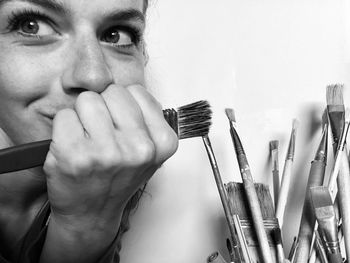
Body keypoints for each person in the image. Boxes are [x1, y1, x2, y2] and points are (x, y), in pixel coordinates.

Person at [0, 0, 178, 262]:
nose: (93, 76)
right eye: (32, 26)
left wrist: (91, 225)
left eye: (116, 34)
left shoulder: (109, 167)